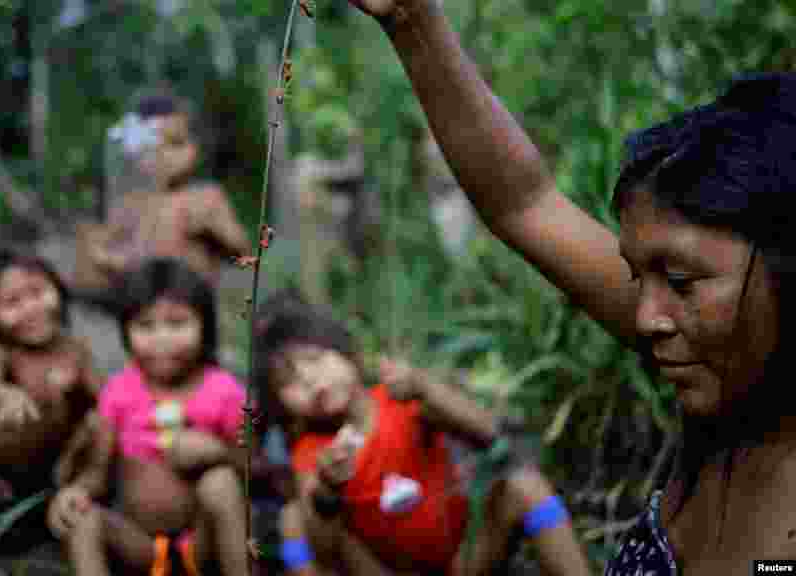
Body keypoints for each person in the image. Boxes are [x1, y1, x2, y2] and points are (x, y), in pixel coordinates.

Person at [344, 1, 796, 573]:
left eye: (680, 281)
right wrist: (410, 18)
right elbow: (525, 203)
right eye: (637, 276)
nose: (644, 316)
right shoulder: (724, 377)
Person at [254, 305, 590, 576]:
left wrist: (426, 389)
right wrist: (328, 488)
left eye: (315, 360)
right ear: (281, 405)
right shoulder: (312, 453)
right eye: (290, 381)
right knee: (314, 522)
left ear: (345, 350)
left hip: (463, 561)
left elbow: (487, 432)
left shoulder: (401, 400)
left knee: (524, 486)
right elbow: (325, 554)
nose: (311, 380)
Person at [49, 258, 249, 576]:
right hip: (140, 546)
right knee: (83, 518)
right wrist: (76, 492)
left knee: (220, 482)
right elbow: (98, 474)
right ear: (126, 332)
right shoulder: (119, 392)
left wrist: (218, 451)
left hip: (201, 543)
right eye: (145, 325)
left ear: (205, 327)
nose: (161, 339)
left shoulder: (224, 391)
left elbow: (253, 468)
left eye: (177, 323)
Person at [0, 249, 102, 520]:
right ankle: (2, 506)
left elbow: (103, 399)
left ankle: (58, 499)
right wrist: (6, 394)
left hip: (64, 460)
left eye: (37, 292)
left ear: (58, 289)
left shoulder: (74, 349)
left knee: (98, 428)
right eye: (12, 302)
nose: (31, 308)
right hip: (7, 467)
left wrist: (78, 389)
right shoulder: (1, 350)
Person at [82, 92, 252, 292]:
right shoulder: (127, 204)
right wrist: (106, 260)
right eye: (152, 147)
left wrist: (215, 230)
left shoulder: (206, 198)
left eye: (176, 143)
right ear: (133, 154)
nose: (164, 154)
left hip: (194, 313)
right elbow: (98, 269)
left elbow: (243, 254)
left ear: (195, 148)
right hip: (143, 312)